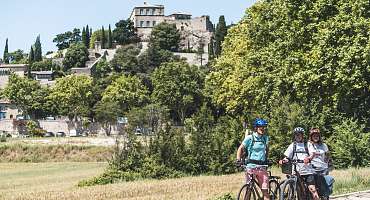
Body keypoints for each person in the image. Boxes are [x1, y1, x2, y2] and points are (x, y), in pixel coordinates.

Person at [279, 127, 320, 200]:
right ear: (294, 136)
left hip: (307, 171)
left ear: (302, 135)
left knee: (312, 189)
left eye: (299, 135)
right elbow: (287, 157)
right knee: (298, 192)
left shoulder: (307, 144)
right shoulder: (293, 145)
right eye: (296, 135)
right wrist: (283, 160)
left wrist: (309, 158)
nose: (298, 136)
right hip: (296, 171)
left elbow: (312, 154)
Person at [236, 118, 270, 200]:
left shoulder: (265, 138)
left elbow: (267, 149)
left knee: (265, 191)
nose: (262, 129)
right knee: (248, 190)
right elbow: (240, 148)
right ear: (256, 128)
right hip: (251, 167)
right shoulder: (249, 138)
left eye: (264, 127)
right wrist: (238, 159)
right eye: (260, 127)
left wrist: (266, 159)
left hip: (262, 167)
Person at [307, 127, 334, 197]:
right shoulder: (308, 144)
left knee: (321, 186)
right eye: (314, 135)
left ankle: (323, 196)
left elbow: (328, 154)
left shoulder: (323, 145)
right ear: (311, 136)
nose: (316, 137)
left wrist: (326, 161)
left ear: (319, 136)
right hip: (311, 168)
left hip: (322, 168)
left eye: (317, 135)